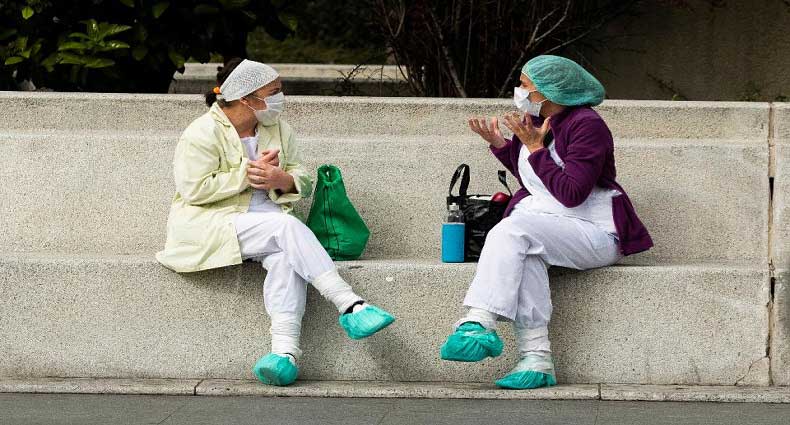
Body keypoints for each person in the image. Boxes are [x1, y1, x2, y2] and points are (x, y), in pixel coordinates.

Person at [156, 58, 395, 387]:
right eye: (274, 92)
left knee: (286, 256)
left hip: (268, 226)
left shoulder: (277, 128)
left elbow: (302, 177)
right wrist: (248, 175)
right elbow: (193, 189)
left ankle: (284, 355)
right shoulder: (202, 132)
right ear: (246, 98)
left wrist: (282, 179)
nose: (281, 98)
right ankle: (349, 304)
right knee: (286, 228)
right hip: (213, 225)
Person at [440, 55, 653, 389]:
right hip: (549, 226)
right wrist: (502, 145)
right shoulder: (536, 120)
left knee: (513, 230)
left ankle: (479, 320)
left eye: (525, 85)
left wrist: (535, 147)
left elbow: (571, 193)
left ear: (551, 91)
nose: (519, 91)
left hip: (596, 233)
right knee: (525, 253)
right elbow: (536, 180)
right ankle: (536, 360)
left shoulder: (587, 126)